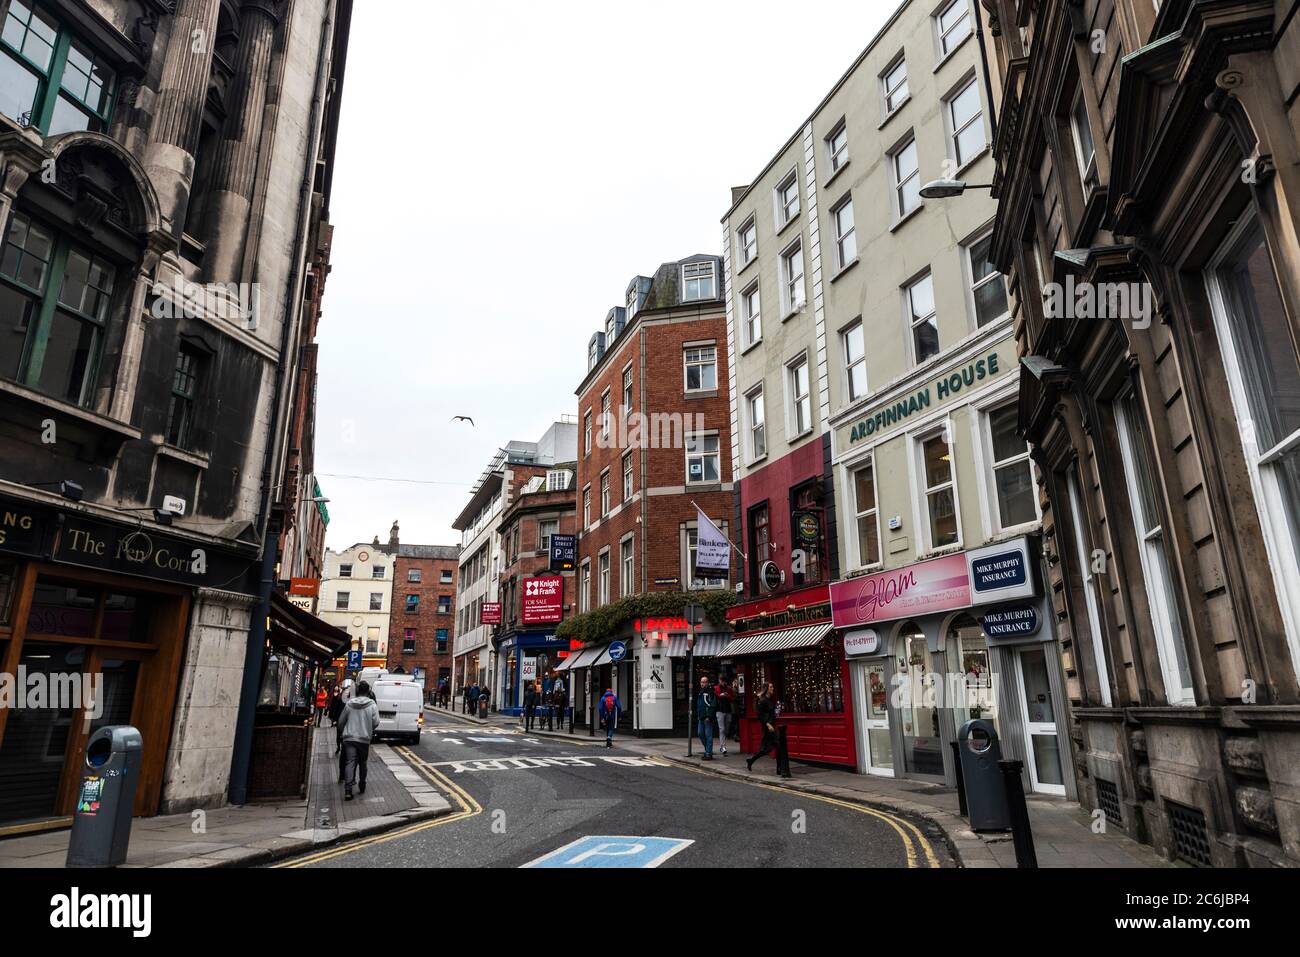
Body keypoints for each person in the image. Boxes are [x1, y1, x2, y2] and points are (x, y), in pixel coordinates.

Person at [337, 680, 380, 800]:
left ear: (357, 691)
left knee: (350, 762)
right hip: (364, 738)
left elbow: (341, 722)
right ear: (368, 692)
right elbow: (376, 722)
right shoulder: (372, 705)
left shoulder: (349, 704)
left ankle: (348, 790)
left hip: (349, 738)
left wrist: (342, 731)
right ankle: (362, 784)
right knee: (363, 763)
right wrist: (368, 727)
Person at [747, 682, 779, 772]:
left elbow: (771, 712)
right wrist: (768, 724)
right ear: (767, 689)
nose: (773, 688)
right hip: (768, 727)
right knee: (767, 748)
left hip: (772, 725)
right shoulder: (763, 700)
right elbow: (760, 715)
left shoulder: (770, 699)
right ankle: (751, 761)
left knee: (775, 747)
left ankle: (779, 769)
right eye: (771, 687)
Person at [696, 675, 717, 760]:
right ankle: (708, 751)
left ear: (707, 683)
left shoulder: (710, 692)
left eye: (704, 682)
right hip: (701, 717)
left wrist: (709, 716)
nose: (703, 683)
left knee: (708, 736)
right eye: (702, 682)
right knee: (700, 734)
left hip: (707, 718)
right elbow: (699, 705)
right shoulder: (700, 692)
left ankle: (708, 753)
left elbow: (713, 705)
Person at [713, 675, 734, 756]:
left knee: (727, 728)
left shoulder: (729, 688)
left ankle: (724, 742)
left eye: (724, 681)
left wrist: (727, 695)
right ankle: (723, 747)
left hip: (728, 710)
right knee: (722, 729)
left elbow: (732, 698)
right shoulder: (716, 688)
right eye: (721, 680)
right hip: (719, 710)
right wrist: (720, 695)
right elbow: (715, 696)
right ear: (719, 680)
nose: (722, 682)